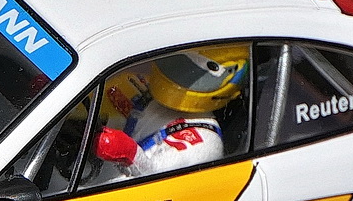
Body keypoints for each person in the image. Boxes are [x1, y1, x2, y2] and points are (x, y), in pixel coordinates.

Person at [95, 46, 249, 179]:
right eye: (183, 62)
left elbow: (158, 184)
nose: (186, 73)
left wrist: (130, 153)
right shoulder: (137, 81)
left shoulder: (203, 144)